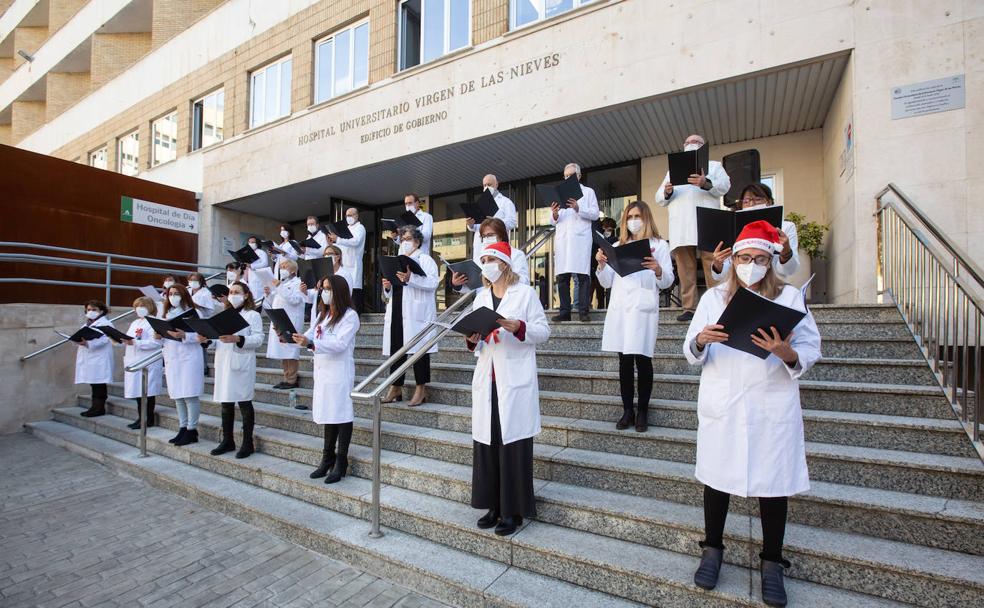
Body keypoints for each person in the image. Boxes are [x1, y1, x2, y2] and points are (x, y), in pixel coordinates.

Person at [683, 220, 820, 607]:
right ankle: (712, 549)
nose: (751, 264)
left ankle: (772, 562)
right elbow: (689, 350)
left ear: (771, 260)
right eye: (744, 258)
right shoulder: (713, 299)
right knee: (717, 479)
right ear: (734, 259)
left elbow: (810, 348)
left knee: (773, 485)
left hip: (770, 402)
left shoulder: (790, 298)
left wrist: (787, 353)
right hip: (724, 403)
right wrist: (699, 340)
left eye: (759, 258)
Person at [467, 241, 550, 536]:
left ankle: (513, 510)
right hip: (488, 378)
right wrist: (473, 337)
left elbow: (544, 330)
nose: (486, 264)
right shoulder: (481, 298)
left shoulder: (525, 294)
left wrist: (520, 327)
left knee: (512, 446)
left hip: (514, 380)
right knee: (488, 445)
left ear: (503, 263)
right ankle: (493, 505)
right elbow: (477, 341)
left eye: (491, 258)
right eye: (484, 260)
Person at [595, 202, 674, 432]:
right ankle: (627, 409)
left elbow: (668, 280)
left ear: (646, 218)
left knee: (643, 360)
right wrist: (601, 265)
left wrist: (658, 269)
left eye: (637, 216)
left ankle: (642, 411)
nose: (633, 220)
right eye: (629, 216)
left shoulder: (659, 246)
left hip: (643, 309)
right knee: (624, 361)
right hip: (621, 308)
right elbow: (607, 282)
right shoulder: (617, 245)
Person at [655, 134, 731, 321]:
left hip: (707, 221)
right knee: (684, 267)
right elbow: (659, 198)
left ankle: (717, 305)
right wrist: (667, 191)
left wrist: (705, 183)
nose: (691, 145)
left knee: (712, 263)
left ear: (703, 146)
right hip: (681, 226)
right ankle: (689, 307)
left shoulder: (713, 166)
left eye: (696, 142)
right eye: (688, 142)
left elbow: (725, 186)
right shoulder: (672, 171)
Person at [294, 275, 360, 484]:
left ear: (339, 291)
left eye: (328, 288)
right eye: (322, 288)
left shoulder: (350, 316)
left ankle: (341, 461)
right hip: (323, 372)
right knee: (327, 413)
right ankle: (326, 458)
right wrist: (293, 337)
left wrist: (311, 344)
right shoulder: (322, 315)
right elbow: (310, 334)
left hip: (339, 372)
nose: (324, 292)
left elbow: (340, 344)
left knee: (341, 413)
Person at [381, 226, 439, 407]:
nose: (404, 242)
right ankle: (395, 387)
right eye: (402, 239)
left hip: (417, 313)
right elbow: (392, 290)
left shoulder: (426, 259)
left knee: (419, 351)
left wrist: (411, 278)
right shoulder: (397, 260)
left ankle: (420, 389)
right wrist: (388, 286)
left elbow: (433, 283)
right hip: (397, 308)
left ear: (417, 241)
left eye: (407, 239)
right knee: (396, 348)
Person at [207, 281, 264, 459]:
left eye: (237, 292)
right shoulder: (225, 314)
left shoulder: (253, 315)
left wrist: (238, 338)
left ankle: (248, 442)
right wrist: (207, 339)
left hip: (241, 363)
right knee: (226, 403)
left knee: (244, 402)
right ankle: (227, 440)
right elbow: (218, 339)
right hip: (224, 362)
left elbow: (258, 339)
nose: (232, 294)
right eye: (230, 291)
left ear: (246, 295)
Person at [710, 183, 800, 283]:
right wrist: (718, 265)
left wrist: (786, 253)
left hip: (773, 285)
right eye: (746, 201)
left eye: (757, 200)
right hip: (741, 285)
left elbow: (790, 270)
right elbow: (721, 275)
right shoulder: (734, 228)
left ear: (769, 202)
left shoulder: (786, 227)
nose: (752, 204)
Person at [549, 163, 600, 322]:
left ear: (578, 176)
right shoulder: (560, 193)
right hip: (563, 240)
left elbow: (595, 214)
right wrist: (555, 214)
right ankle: (565, 311)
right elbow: (553, 221)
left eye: (571, 175)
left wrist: (578, 208)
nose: (567, 178)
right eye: (565, 176)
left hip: (580, 240)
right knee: (562, 277)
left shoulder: (588, 192)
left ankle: (583, 311)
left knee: (583, 275)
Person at [155, 284, 205, 446]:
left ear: (184, 295)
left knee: (190, 395)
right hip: (172, 358)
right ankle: (182, 427)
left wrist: (185, 335)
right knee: (178, 396)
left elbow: (203, 336)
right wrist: (158, 335)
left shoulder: (193, 313)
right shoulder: (165, 314)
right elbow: (163, 338)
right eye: (170, 293)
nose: (173, 296)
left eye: (176, 293)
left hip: (189, 357)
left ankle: (192, 429)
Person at [451, 218, 529, 293]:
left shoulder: (516, 254)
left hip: (509, 299)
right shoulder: (483, 258)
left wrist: (501, 274)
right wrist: (457, 284)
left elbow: (524, 281)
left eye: (490, 235)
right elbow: (476, 285)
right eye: (484, 236)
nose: (486, 238)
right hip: (486, 300)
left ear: (501, 235)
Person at [120, 297, 163, 429]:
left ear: (150, 307)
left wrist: (135, 342)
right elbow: (129, 337)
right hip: (135, 359)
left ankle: (147, 419)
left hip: (148, 361)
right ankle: (140, 417)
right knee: (139, 393)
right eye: (137, 306)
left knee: (147, 392)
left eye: (142, 305)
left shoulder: (155, 322)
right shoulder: (135, 322)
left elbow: (156, 343)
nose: (139, 308)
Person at [264, 258, 305, 390]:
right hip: (279, 319)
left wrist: (279, 287)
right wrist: (269, 294)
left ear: (293, 270)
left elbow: (295, 299)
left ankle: (292, 379)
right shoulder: (281, 283)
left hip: (291, 319)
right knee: (282, 350)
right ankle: (286, 377)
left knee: (290, 350)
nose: (282, 269)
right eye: (280, 267)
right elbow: (274, 301)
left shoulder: (298, 283)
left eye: (285, 267)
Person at [301, 245, 355, 330]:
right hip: (319, 312)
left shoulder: (345, 274)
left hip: (335, 313)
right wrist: (305, 291)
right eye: (325, 254)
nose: (326, 256)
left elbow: (346, 295)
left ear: (338, 257)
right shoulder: (321, 274)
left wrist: (326, 286)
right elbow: (313, 297)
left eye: (329, 253)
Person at [76, 300, 115, 418]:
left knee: (99, 384)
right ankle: (94, 407)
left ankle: (99, 408)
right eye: (88, 310)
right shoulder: (87, 324)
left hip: (100, 358)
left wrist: (88, 343)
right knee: (94, 384)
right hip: (90, 358)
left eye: (94, 310)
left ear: (101, 311)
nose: (91, 312)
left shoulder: (106, 324)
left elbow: (105, 339)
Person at [467, 175, 517, 261]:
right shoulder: (480, 204)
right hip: (480, 245)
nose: (486, 187)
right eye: (485, 185)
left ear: (497, 184)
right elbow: (477, 227)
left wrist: (494, 222)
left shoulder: (506, 202)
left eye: (489, 185)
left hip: (496, 242)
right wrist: (471, 225)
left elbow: (512, 222)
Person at [329, 207, 367, 313]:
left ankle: (356, 315)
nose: (348, 217)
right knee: (344, 291)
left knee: (354, 292)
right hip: (344, 264)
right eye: (347, 215)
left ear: (356, 216)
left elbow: (355, 242)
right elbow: (341, 247)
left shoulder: (360, 228)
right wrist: (333, 242)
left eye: (350, 215)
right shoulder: (346, 229)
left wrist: (339, 239)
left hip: (354, 264)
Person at [187, 271, 216, 376]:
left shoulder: (206, 292)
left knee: (201, 343)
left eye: (195, 280)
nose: (193, 282)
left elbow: (210, 311)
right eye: (191, 280)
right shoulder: (187, 291)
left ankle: (204, 367)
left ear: (201, 281)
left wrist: (197, 306)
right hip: (187, 320)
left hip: (201, 320)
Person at [590, 217, 617, 309]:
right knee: (592, 290)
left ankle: (604, 307)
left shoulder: (615, 241)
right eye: (605, 229)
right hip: (595, 267)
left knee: (603, 292)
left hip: (610, 268)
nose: (607, 231)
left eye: (609, 230)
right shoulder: (597, 239)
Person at [243, 235, 270, 303]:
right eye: (249, 242)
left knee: (257, 298)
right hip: (250, 277)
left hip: (257, 277)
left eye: (253, 242)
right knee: (251, 298)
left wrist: (252, 266)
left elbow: (265, 263)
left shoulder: (261, 252)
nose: (251, 243)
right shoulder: (247, 253)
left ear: (257, 243)